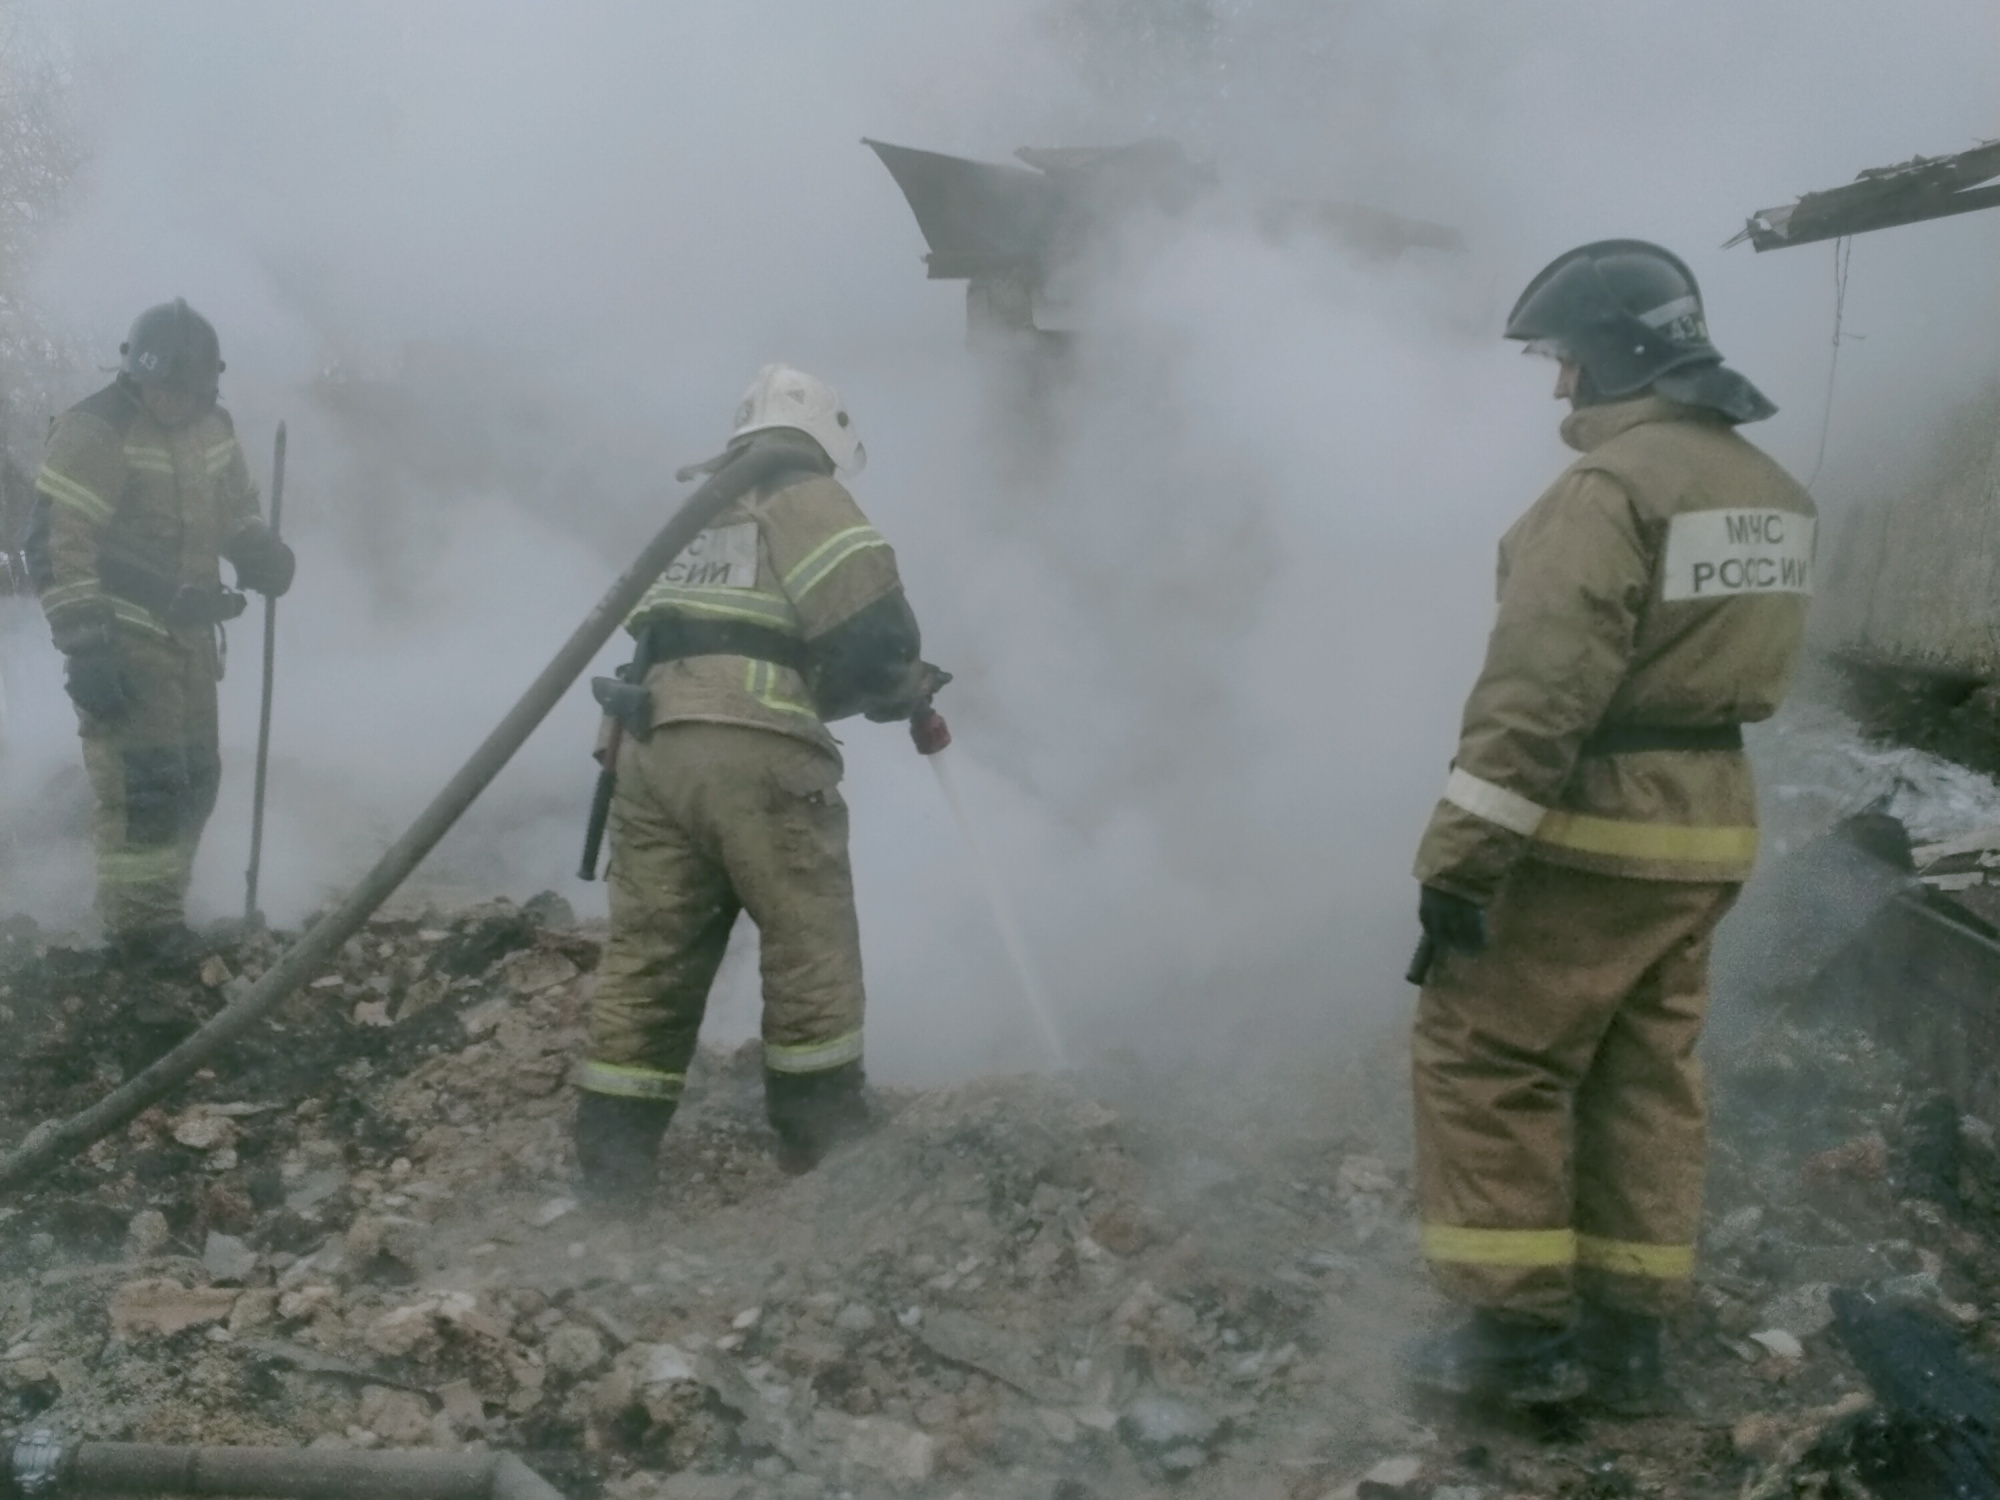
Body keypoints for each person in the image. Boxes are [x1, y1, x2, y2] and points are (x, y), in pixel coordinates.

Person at [1404, 242, 1813, 1409]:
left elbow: (1537, 695)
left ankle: (1509, 1341)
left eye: (1564, 360)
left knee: (1489, 1058)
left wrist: (1458, 861)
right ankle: (1629, 1341)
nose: (1556, 385)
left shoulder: (1608, 492)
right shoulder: (1771, 490)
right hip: (1707, 825)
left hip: (1592, 826)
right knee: (1644, 1075)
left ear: (1615, 357)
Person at [574, 364, 947, 1191]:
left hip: (650, 749)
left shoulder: (705, 511)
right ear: (825, 439)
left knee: (650, 958)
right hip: (751, 750)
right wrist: (903, 685)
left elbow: (698, 631)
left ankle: (611, 1170)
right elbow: (870, 627)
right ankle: (823, 1138)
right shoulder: (803, 493)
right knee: (807, 936)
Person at [27, 299, 294, 965]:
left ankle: (161, 912)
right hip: (122, 639)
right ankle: (138, 933)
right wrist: (86, 649)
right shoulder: (97, 431)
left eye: (184, 392)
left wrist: (258, 549)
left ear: (207, 388)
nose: (168, 402)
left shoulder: (213, 428)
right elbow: (59, 545)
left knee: (196, 777)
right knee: (146, 785)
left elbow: (235, 509)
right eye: (157, 389)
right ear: (133, 373)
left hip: (191, 639)